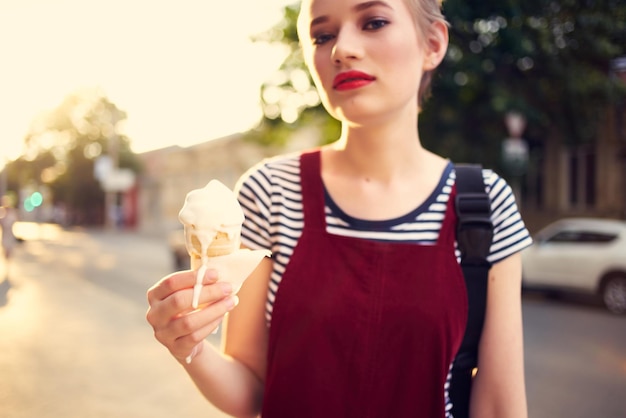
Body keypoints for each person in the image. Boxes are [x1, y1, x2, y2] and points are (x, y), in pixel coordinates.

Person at [146, 0, 531, 416]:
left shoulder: (485, 203)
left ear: (433, 44)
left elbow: (499, 407)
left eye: (374, 22)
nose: (341, 49)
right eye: (322, 35)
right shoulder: (269, 191)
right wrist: (189, 345)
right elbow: (251, 392)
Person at [0, 195, 19, 279]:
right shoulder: (2, 213)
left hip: (10, 235)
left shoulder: (12, 214)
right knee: (5, 252)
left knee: (9, 252)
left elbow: (14, 222)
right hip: (4, 236)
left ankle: (8, 267)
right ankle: (6, 265)